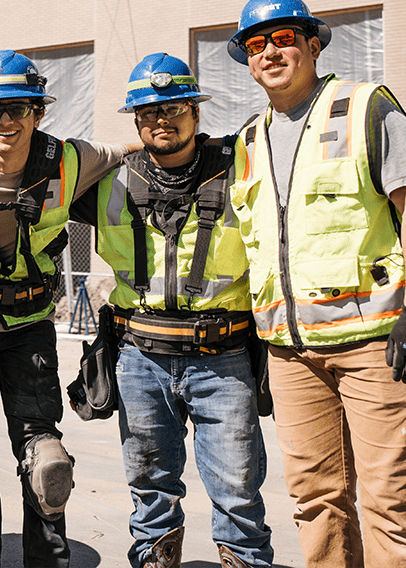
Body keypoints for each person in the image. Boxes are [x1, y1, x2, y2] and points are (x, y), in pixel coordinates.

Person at [227, 0, 406, 567]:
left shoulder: (364, 106)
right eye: (255, 44)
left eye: (283, 38)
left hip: (375, 344)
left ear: (313, 44)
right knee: (314, 502)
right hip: (291, 356)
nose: (269, 52)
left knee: (392, 504)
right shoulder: (248, 140)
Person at [0, 50, 134, 567]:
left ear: (39, 112)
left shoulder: (70, 159)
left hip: (29, 324)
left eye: (19, 108)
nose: (6, 121)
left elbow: (139, 144)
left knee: (46, 466)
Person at [70, 53, 272, 568]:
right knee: (150, 487)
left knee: (238, 489)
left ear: (197, 113)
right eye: (148, 112)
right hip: (139, 358)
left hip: (223, 357)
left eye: (175, 107)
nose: (162, 119)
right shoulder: (108, 181)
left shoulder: (241, 170)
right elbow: (30, 172)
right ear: (136, 122)